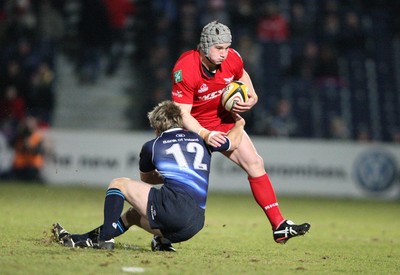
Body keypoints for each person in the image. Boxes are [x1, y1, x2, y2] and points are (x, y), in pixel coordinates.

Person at [171, 20, 310, 244]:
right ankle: (162, 236)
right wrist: (206, 135)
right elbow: (183, 114)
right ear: (205, 46)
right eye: (219, 48)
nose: (224, 53)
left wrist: (253, 97)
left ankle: (279, 226)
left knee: (255, 163)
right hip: (193, 129)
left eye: (227, 47)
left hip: (223, 122)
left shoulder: (233, 58)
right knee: (183, 191)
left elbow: (241, 74)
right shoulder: (185, 67)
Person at [52, 100, 246, 251]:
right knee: (134, 215)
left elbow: (147, 180)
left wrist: (167, 176)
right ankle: (159, 242)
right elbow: (233, 143)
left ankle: (105, 238)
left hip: (173, 211)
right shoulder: (202, 139)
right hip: (195, 223)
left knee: (119, 184)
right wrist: (240, 123)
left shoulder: (152, 146)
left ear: (157, 127)